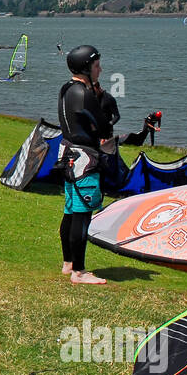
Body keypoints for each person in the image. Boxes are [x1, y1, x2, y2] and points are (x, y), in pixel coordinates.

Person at [57, 45, 111, 284]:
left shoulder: (66, 88)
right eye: (97, 66)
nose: (100, 69)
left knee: (70, 211)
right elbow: (104, 126)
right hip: (85, 159)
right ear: (86, 68)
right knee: (82, 214)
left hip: (68, 156)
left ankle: (68, 263)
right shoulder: (85, 93)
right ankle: (79, 272)